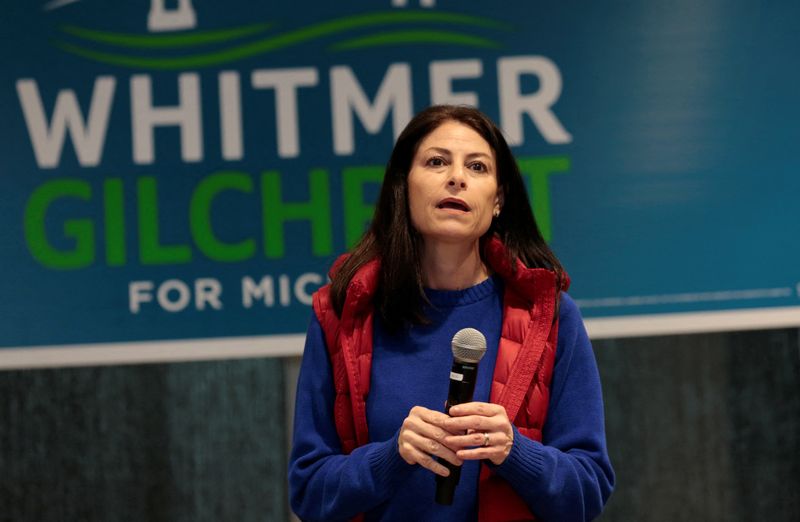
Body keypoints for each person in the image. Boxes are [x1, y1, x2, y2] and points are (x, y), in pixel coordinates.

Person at [288, 105, 614, 521]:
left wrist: (514, 450)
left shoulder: (550, 317)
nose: (456, 177)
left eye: (477, 166)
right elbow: (309, 492)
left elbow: (587, 492)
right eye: (437, 161)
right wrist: (391, 456)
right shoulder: (341, 313)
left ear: (497, 200)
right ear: (404, 188)